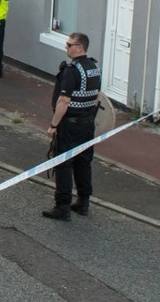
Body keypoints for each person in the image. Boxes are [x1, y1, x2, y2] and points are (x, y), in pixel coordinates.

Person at [42, 32, 101, 221]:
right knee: (83, 162)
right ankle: (83, 202)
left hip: (70, 125)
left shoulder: (71, 71)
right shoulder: (94, 67)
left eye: (69, 45)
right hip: (87, 124)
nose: (66, 48)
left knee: (64, 165)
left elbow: (64, 101)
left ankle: (62, 207)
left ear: (80, 47)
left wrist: (53, 126)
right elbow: (96, 97)